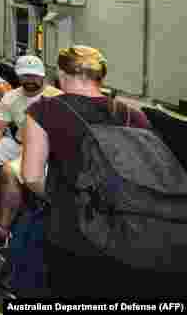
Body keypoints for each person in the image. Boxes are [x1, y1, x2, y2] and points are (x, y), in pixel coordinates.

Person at [21, 46, 161, 298]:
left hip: (71, 227)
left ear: (61, 75)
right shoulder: (134, 114)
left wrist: (59, 197)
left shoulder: (44, 110)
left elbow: (31, 176)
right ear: (101, 78)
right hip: (128, 228)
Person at [0, 55, 61, 241]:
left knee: (9, 171)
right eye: (25, 76)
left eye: (34, 76)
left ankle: (2, 230)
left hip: (46, 150)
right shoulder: (11, 97)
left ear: (42, 77)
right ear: (18, 76)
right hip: (19, 143)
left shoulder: (56, 98)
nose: (29, 81)